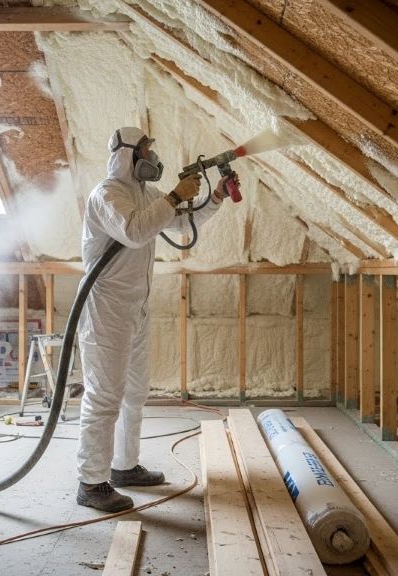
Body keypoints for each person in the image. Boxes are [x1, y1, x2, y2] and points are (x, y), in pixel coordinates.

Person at [75, 126, 237, 512]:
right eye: (146, 149)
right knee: (104, 398)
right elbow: (134, 231)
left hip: (135, 308)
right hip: (106, 311)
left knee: (134, 394)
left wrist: (213, 198)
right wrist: (174, 196)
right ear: (128, 154)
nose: (152, 157)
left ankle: (124, 467)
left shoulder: (145, 195)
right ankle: (91, 482)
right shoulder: (107, 194)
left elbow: (179, 223)